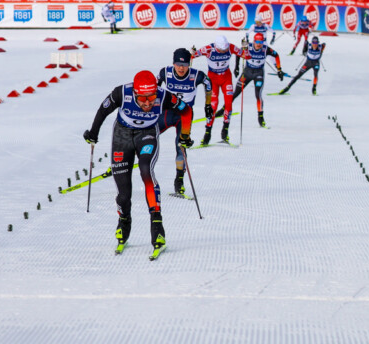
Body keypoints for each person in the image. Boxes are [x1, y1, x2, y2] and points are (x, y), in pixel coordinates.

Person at [82, 71, 193, 256]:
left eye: (151, 97)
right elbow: (103, 109)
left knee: (146, 171)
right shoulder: (122, 93)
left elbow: (186, 110)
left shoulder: (163, 95)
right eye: (143, 98)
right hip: (122, 135)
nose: (148, 103)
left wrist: (185, 136)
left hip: (147, 133)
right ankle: (124, 221)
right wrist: (93, 133)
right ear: (135, 93)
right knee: (123, 192)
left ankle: (157, 226)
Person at [156, 48, 213, 195]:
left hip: (185, 115)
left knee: (181, 146)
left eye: (185, 65)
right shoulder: (165, 73)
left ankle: (179, 181)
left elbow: (208, 84)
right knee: (147, 134)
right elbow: (155, 87)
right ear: (173, 63)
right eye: (178, 64)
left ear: (190, 64)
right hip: (167, 112)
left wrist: (208, 105)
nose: (181, 68)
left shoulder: (196, 75)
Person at [191, 35, 246, 145]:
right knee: (213, 106)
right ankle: (208, 133)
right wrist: (192, 52)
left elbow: (245, 55)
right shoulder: (208, 49)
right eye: (222, 49)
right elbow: (192, 56)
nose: (224, 51)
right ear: (216, 47)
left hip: (226, 77)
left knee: (229, 104)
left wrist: (245, 48)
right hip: (213, 79)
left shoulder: (230, 47)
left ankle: (225, 130)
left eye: (225, 49)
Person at [230, 32, 284, 128]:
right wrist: (236, 67)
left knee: (258, 95)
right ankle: (224, 109)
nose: (259, 44)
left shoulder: (266, 49)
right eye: (257, 41)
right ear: (254, 41)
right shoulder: (247, 47)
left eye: (261, 41)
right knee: (236, 93)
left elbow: (276, 55)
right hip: (247, 72)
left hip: (258, 73)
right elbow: (238, 54)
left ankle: (260, 118)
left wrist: (279, 70)